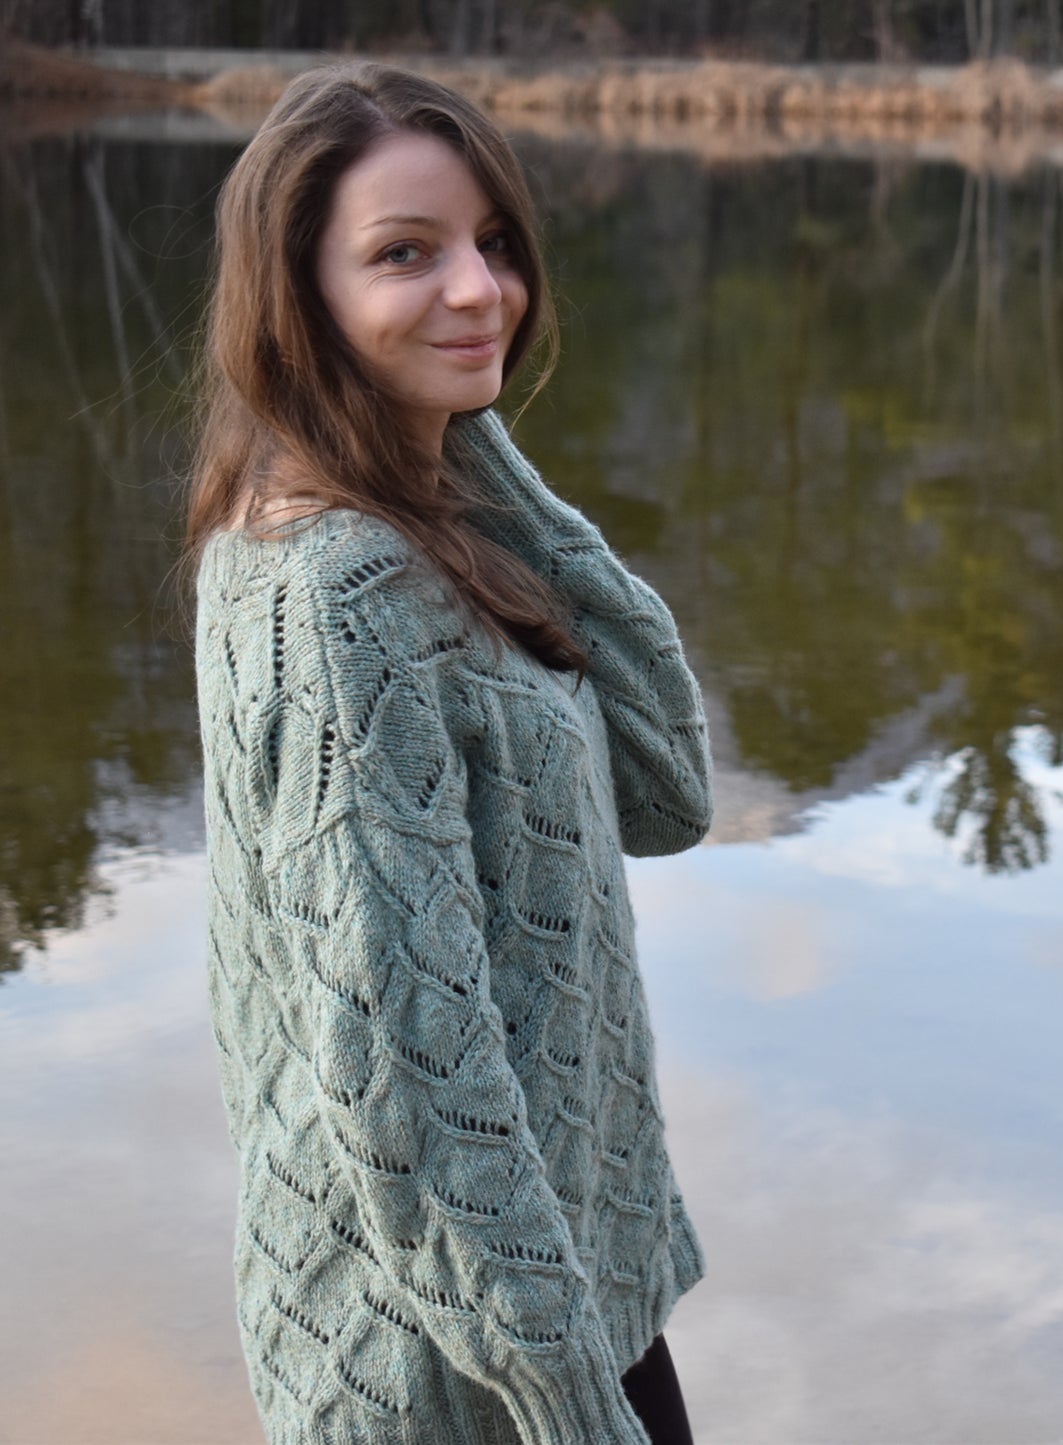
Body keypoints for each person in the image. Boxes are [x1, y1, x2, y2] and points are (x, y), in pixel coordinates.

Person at [186, 62, 712, 1445]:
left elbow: (665, 786)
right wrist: (564, 1408)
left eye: (491, 244)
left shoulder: (411, 526)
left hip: (560, 1307)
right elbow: (409, 1082)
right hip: (466, 1374)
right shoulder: (335, 594)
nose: (478, 289)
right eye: (405, 254)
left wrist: (460, 442)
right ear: (297, 299)